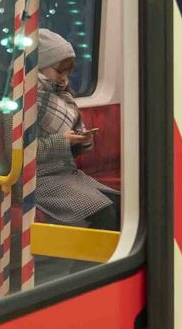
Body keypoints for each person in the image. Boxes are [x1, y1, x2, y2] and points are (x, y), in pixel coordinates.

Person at [34, 29, 119, 231]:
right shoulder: (19, 103)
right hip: (37, 181)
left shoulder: (62, 97)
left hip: (65, 174)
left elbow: (67, 148)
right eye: (60, 71)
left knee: (122, 205)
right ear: (39, 66)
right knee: (105, 213)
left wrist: (80, 141)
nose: (64, 79)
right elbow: (19, 155)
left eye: (68, 73)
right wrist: (65, 141)